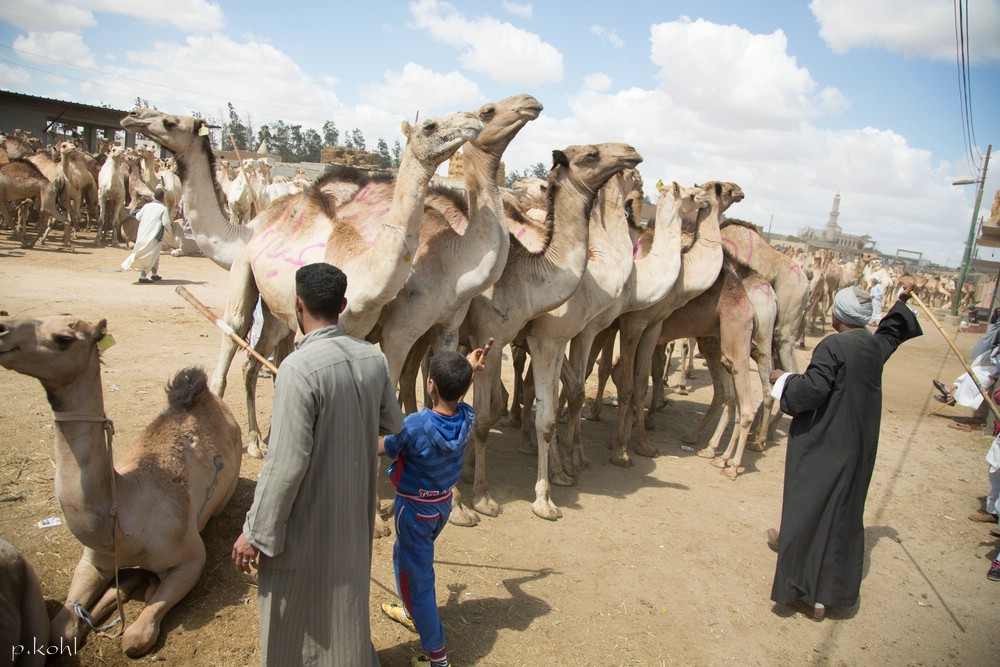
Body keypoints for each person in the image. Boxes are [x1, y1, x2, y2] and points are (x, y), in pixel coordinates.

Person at [231, 263, 404, 666]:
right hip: (352, 515)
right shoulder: (372, 360)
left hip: (308, 519)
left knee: (296, 610)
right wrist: (352, 439)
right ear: (343, 305)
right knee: (345, 599)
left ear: (297, 303)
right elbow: (392, 431)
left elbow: (285, 466)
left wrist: (255, 532)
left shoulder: (297, 369)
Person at [766, 283, 921, 619]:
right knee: (840, 514)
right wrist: (901, 301)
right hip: (857, 446)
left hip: (827, 443)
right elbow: (891, 333)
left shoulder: (832, 346)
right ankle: (825, 597)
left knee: (810, 509)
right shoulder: (872, 345)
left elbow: (812, 390)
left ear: (837, 314)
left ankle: (803, 592)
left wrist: (782, 380)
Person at [378, 347, 486, 667]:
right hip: (439, 507)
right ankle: (414, 611)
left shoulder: (415, 425)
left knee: (420, 581)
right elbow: (457, 390)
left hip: (412, 512)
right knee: (406, 558)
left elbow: (383, 447)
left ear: (429, 385)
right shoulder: (467, 416)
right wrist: (470, 368)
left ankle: (437, 657)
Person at [121, 187, 172, 283]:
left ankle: (154, 274)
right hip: (155, 236)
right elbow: (165, 223)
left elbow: (137, 217)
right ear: (162, 198)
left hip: (143, 234)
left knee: (155, 255)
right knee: (150, 255)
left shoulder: (146, 206)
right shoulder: (163, 209)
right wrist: (170, 231)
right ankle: (143, 276)